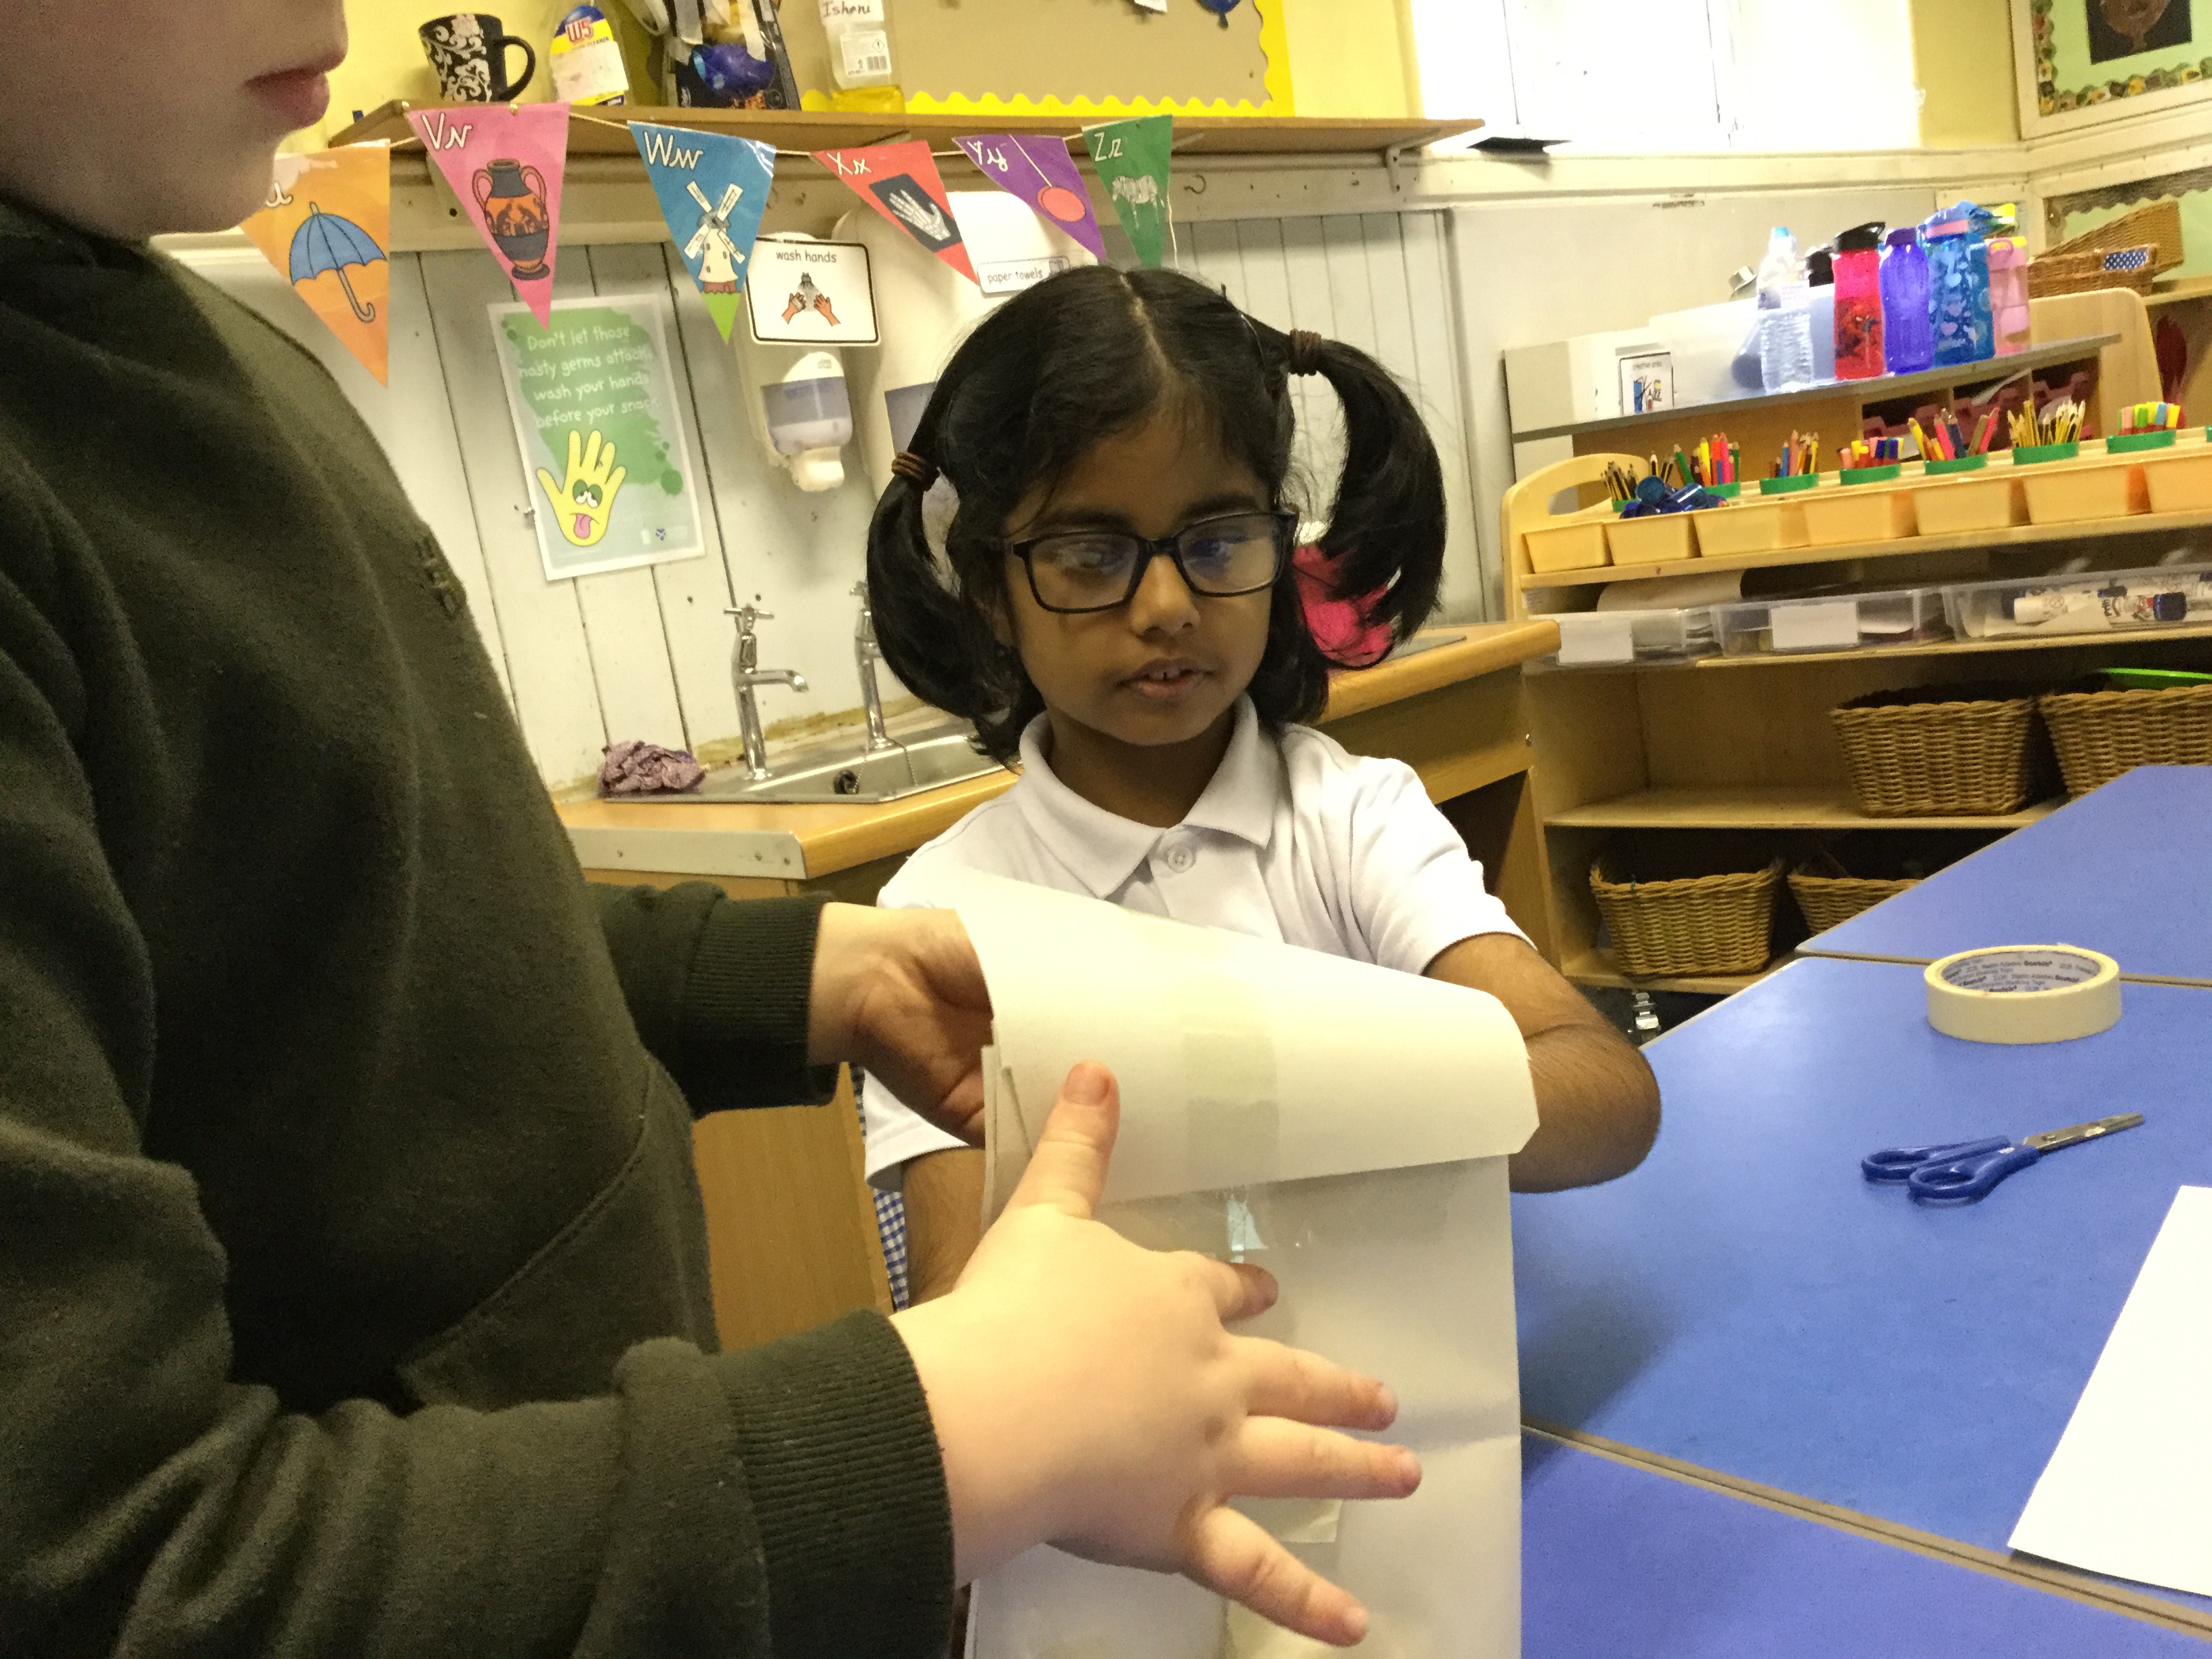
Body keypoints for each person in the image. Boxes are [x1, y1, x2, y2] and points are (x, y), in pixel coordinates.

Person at [0, 5, 1420, 1654]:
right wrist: (932, 1436)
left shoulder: (185, 333)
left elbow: (345, 944)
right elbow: (109, 1567)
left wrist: (766, 975)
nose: (327, 13)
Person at [862, 266, 1662, 1300]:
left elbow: (1607, 1093)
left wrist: (1298, 1098)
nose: (1165, 606)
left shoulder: (1352, 818)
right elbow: (959, 1306)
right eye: (1090, 554)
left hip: (1398, 1380)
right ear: (990, 590)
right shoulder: (943, 913)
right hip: (1116, 1398)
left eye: (1216, 541)